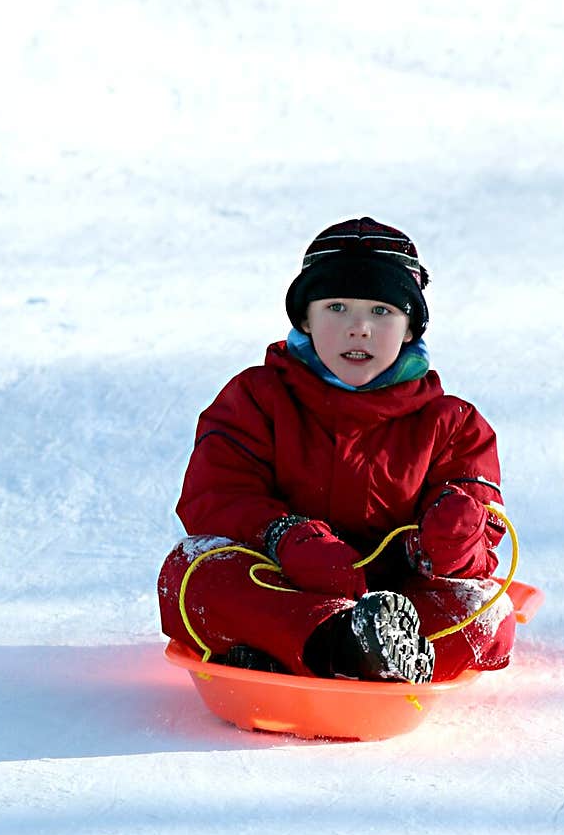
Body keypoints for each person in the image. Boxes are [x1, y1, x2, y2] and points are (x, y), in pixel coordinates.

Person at [157, 217, 516, 685]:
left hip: (402, 603)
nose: (359, 328)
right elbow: (215, 495)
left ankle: (324, 655)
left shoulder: (454, 425)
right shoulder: (257, 398)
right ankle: (339, 647)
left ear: (410, 328)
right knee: (191, 572)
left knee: (486, 609)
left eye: (382, 312)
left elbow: (482, 539)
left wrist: (453, 543)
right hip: (285, 584)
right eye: (338, 307)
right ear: (306, 318)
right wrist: (283, 535)